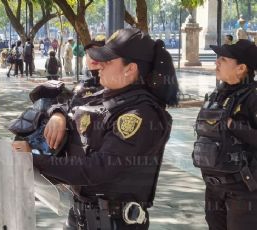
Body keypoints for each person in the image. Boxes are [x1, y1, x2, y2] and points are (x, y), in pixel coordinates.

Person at [13, 28, 179, 230]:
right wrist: (58, 115)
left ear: (130, 69)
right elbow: (70, 106)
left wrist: (32, 159)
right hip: (79, 217)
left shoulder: (140, 114)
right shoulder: (105, 96)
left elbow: (97, 169)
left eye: (108, 61)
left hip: (115, 223)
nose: (99, 65)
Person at [192, 39, 257, 230]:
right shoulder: (216, 95)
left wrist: (232, 125)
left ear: (241, 68)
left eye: (223, 59)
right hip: (214, 187)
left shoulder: (253, 97)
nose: (217, 62)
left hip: (243, 191)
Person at [71, 34, 106, 107]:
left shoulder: (113, 86)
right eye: (90, 52)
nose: (93, 56)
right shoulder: (84, 85)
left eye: (100, 52)